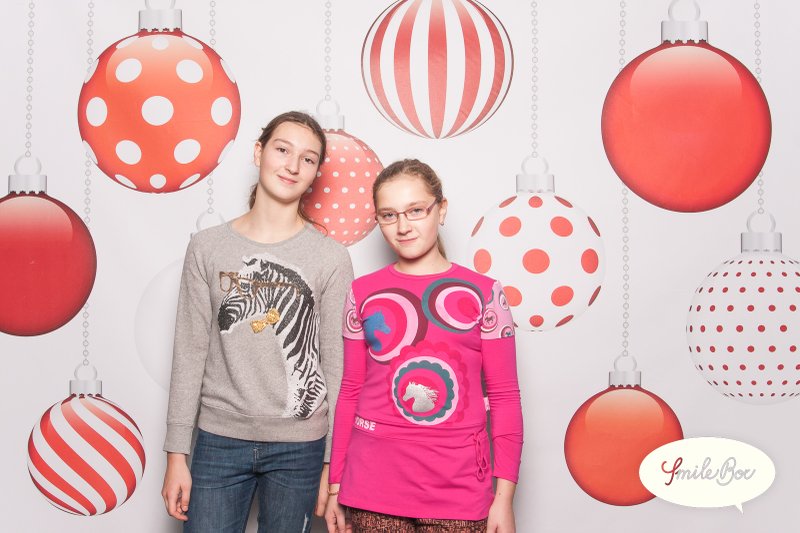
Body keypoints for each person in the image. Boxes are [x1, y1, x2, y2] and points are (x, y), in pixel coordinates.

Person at [161, 111, 354, 532]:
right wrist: (176, 454)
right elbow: (190, 351)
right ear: (258, 152)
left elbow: (337, 366)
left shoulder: (331, 258)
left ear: (315, 173)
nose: (292, 165)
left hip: (301, 447)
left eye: (307, 159)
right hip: (218, 440)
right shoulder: (207, 247)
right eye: (282, 150)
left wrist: (332, 464)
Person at [325, 159, 523, 532]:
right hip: (371, 486)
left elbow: (505, 396)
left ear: (440, 210)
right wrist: (336, 483)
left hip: (458, 489)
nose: (403, 226)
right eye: (389, 215)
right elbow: (350, 389)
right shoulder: (361, 293)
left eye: (416, 210)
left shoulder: (485, 294)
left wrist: (504, 498)